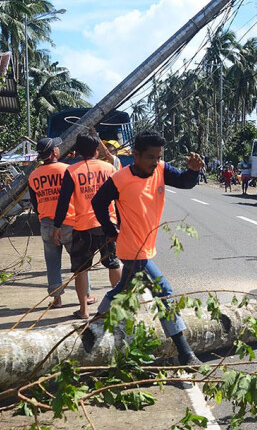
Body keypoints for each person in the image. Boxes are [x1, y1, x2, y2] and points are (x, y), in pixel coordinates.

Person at [92, 129, 204, 366]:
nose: (155, 161)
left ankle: (95, 323)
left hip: (146, 246)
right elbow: (98, 203)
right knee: (163, 289)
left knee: (123, 289)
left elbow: (184, 182)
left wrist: (194, 171)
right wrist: (111, 231)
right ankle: (185, 353)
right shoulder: (120, 179)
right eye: (150, 157)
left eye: (158, 156)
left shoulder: (161, 170)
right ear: (135, 155)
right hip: (132, 248)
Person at [53, 132, 122, 319]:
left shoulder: (72, 171)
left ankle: (84, 310)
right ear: (96, 150)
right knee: (113, 263)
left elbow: (63, 201)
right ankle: (117, 308)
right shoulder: (109, 169)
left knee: (81, 269)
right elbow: (120, 197)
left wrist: (57, 226)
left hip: (83, 227)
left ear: (77, 151)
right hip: (108, 225)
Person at [28, 137, 90, 309]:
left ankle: (56, 299)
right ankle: (87, 296)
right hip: (70, 221)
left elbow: (35, 203)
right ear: (55, 152)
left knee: (52, 261)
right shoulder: (68, 170)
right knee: (80, 261)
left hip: (47, 223)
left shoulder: (33, 176)